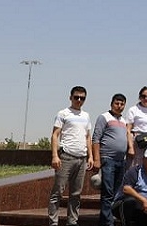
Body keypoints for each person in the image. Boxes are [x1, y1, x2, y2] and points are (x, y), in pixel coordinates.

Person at [49, 86, 93, 226]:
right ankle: (53, 222)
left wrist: (90, 156)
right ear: (70, 97)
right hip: (66, 157)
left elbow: (88, 137)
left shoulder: (85, 116)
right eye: (76, 97)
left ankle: (72, 222)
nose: (79, 100)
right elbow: (55, 135)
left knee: (76, 194)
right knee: (58, 193)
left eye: (82, 98)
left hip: (81, 159)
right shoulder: (63, 113)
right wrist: (55, 156)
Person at [93, 93, 131, 226]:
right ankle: (108, 223)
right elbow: (96, 139)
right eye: (117, 103)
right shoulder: (104, 117)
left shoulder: (123, 121)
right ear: (111, 103)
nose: (119, 106)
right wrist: (97, 159)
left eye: (122, 104)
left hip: (121, 161)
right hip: (107, 159)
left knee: (115, 193)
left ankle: (107, 218)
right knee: (107, 193)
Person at [127, 86, 147, 168]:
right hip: (137, 142)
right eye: (143, 96)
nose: (146, 98)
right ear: (139, 97)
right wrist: (131, 147)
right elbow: (128, 130)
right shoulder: (133, 110)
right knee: (135, 167)